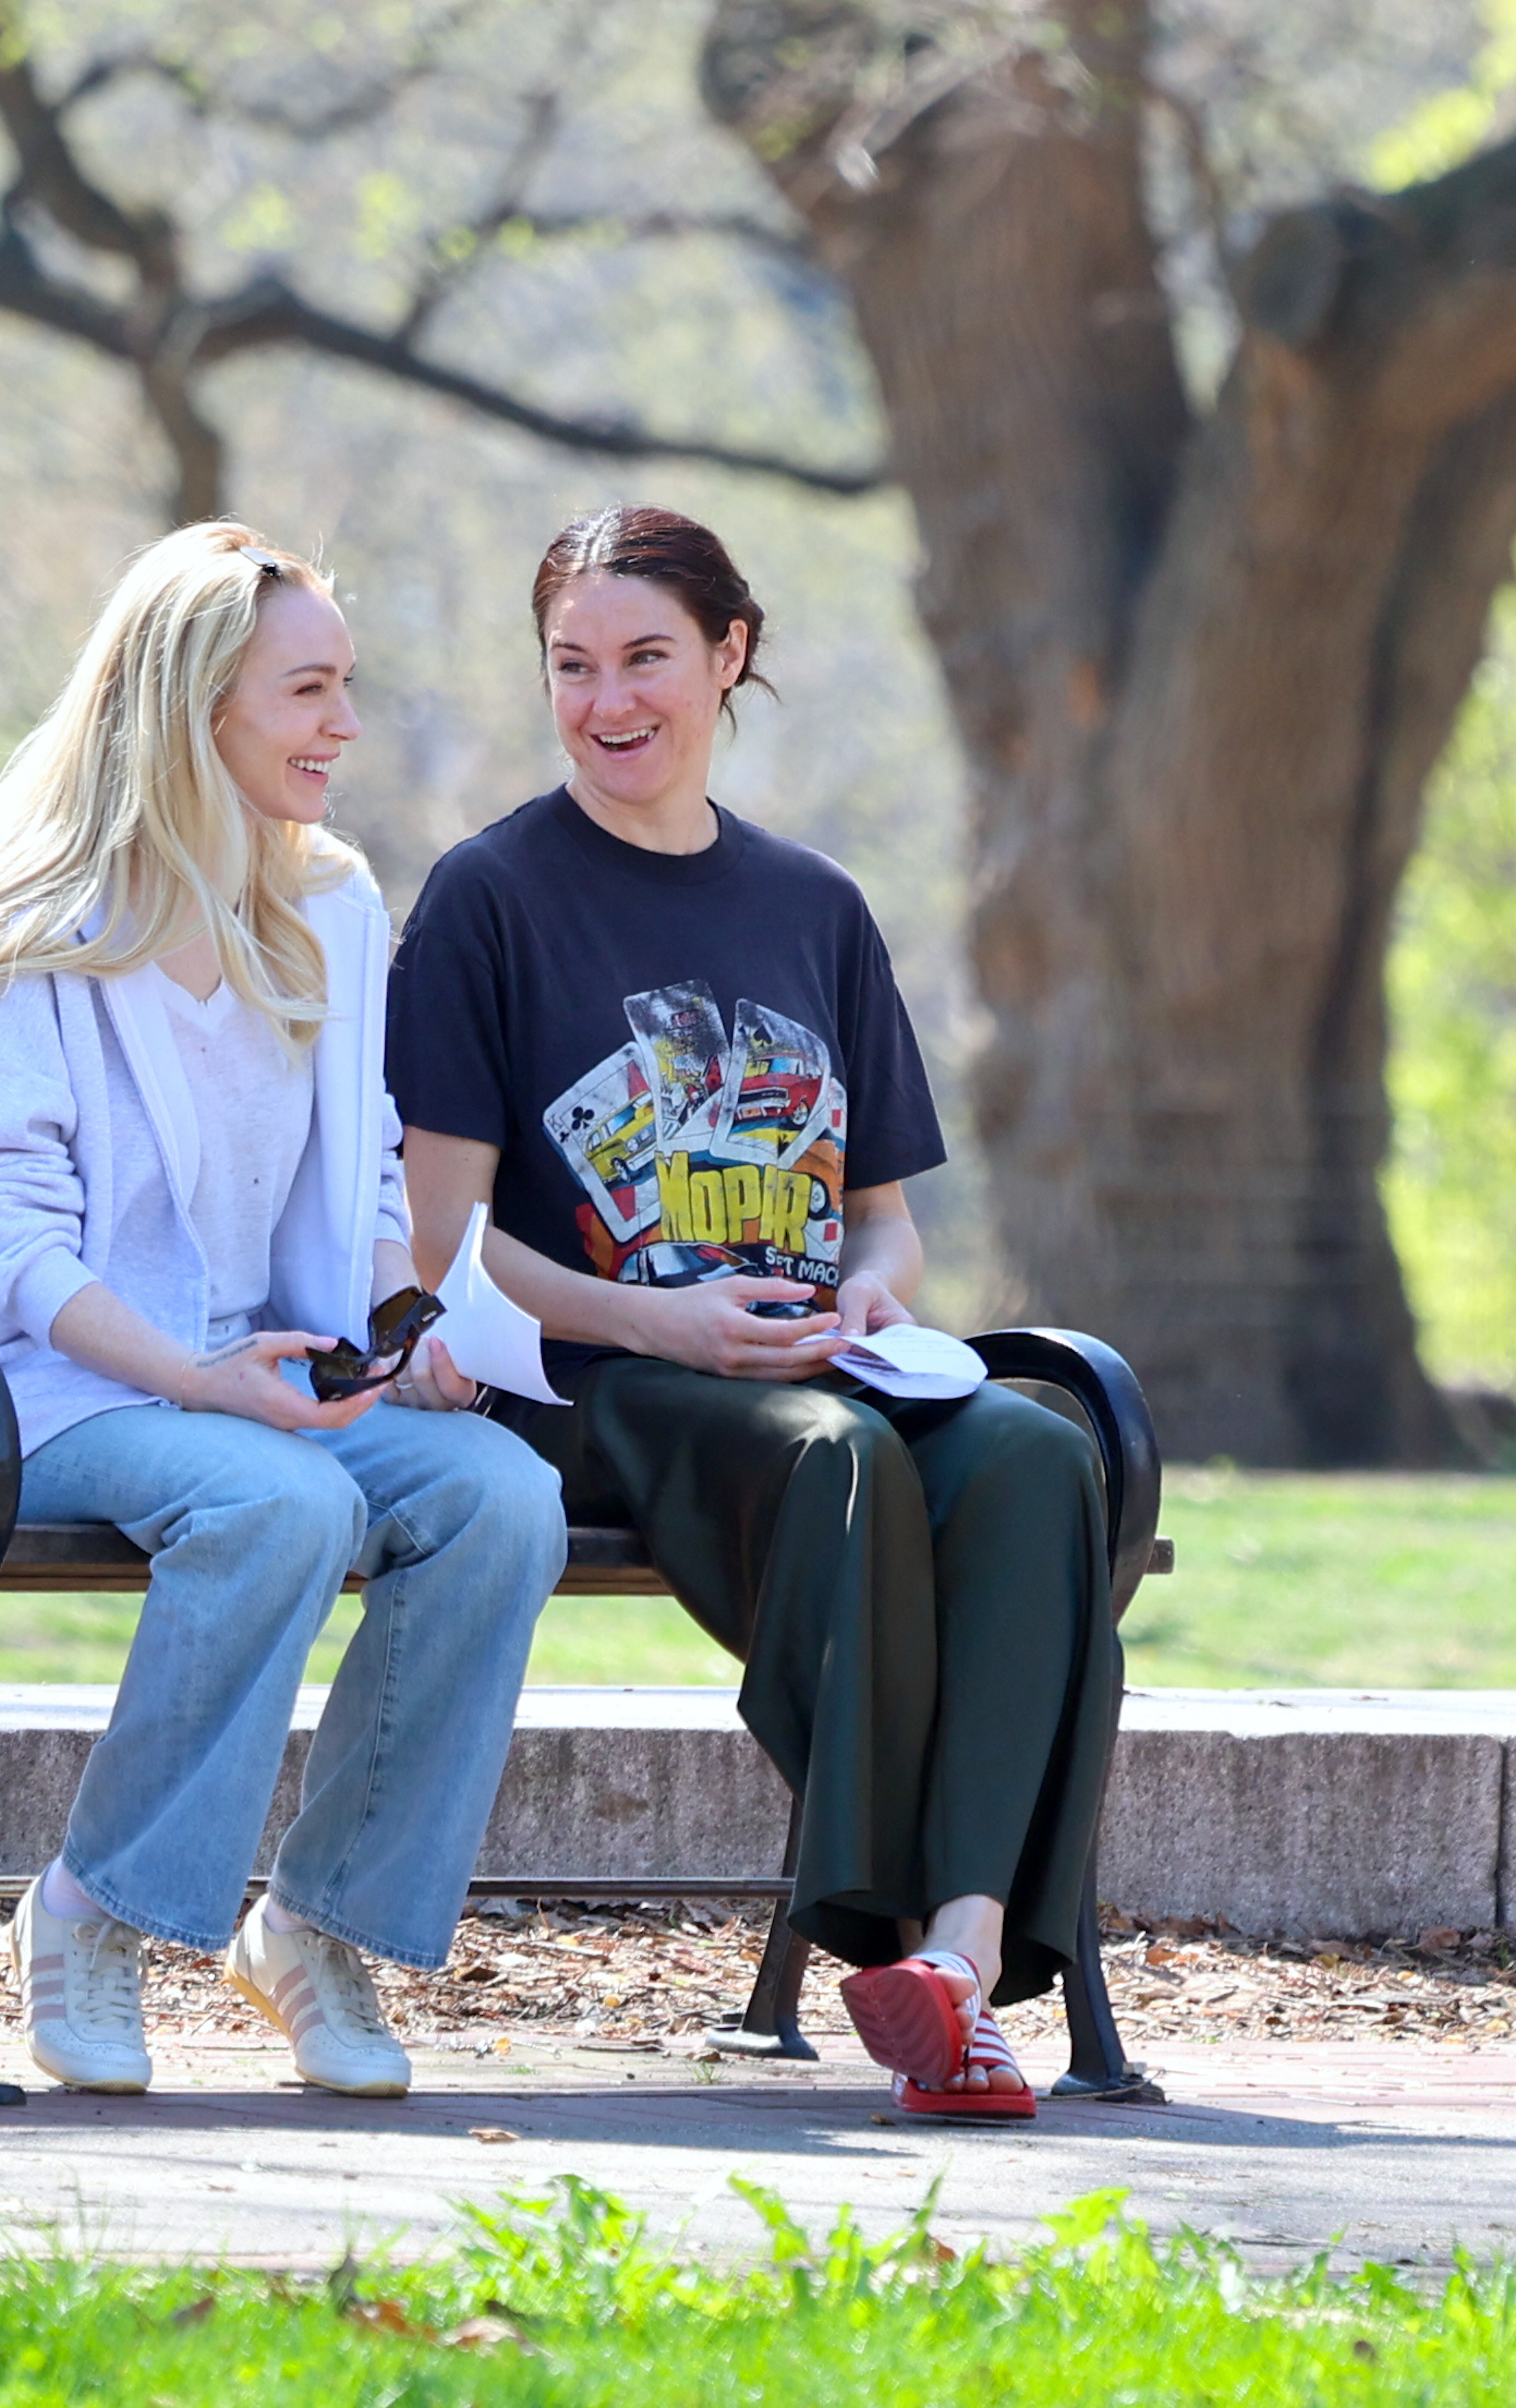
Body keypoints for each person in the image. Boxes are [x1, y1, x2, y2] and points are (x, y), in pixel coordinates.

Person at [386, 505, 1118, 2118]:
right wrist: (659, 1327)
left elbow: (886, 1220)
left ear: (728, 657)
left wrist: (871, 1294)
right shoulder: (485, 900)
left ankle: (959, 1955)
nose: (606, 699)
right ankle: (884, 1924)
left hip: (816, 1366)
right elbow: (437, 1241)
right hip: (598, 1385)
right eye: (571, 666)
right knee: (834, 1463)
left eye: (645, 656)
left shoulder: (813, 906)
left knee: (1033, 1452)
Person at [0, 522, 568, 2101]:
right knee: (273, 1496)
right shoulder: (20, 916)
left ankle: (317, 1925)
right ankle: (94, 1909)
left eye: (346, 687)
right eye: (309, 690)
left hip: (263, 1378)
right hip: (42, 1389)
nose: (345, 728)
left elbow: (370, 1169)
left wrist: (402, 1321)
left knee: (502, 1500)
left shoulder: (327, 904)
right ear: (192, 707)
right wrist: (194, 1374)